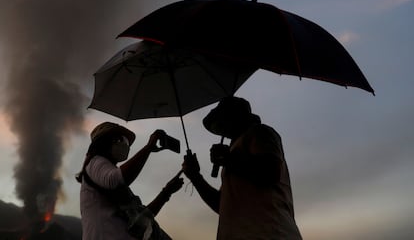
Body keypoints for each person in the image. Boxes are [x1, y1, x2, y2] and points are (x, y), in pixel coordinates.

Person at [182, 97, 302, 240]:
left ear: (235, 116)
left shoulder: (260, 132)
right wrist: (195, 177)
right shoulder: (234, 150)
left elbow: (270, 172)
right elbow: (221, 205)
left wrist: (228, 160)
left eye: (221, 122)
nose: (220, 130)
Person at [77, 122, 184, 240]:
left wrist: (166, 192)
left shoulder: (112, 182)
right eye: (119, 139)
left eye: (125, 141)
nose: (124, 145)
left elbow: (139, 222)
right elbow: (115, 180)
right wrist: (148, 147)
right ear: (103, 142)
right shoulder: (95, 162)